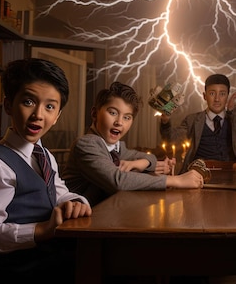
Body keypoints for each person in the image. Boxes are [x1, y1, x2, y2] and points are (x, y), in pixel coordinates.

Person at [0, 58, 92, 284]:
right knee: (102, 271)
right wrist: (41, 230)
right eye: (28, 102)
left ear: (57, 115)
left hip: (48, 253)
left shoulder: (44, 154)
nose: (38, 114)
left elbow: (58, 192)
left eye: (49, 107)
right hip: (19, 267)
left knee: (108, 261)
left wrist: (76, 202)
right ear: (8, 105)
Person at [63, 82, 203, 206]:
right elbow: (117, 181)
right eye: (112, 113)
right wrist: (176, 181)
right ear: (94, 113)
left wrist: (141, 162)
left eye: (127, 117)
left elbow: (150, 158)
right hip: (76, 226)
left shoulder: (117, 148)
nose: (119, 122)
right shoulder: (86, 144)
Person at [160, 74, 236, 172]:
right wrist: (165, 120)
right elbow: (171, 139)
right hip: (199, 176)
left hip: (233, 174)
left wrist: (232, 113)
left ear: (227, 96)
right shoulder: (192, 120)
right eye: (212, 93)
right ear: (204, 96)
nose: (217, 99)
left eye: (222, 94)